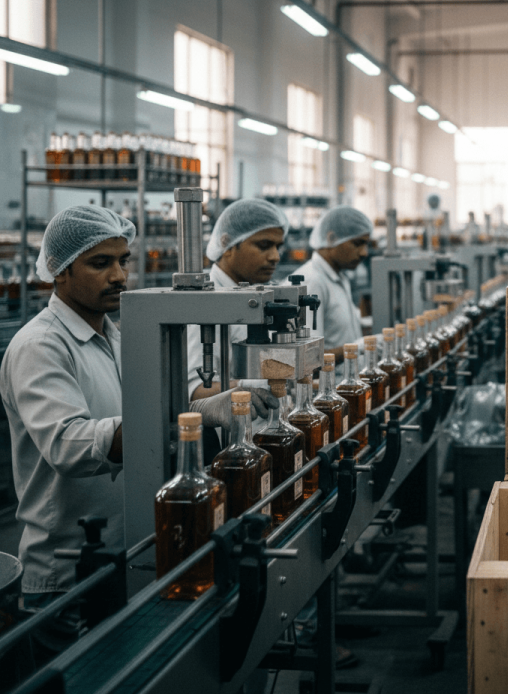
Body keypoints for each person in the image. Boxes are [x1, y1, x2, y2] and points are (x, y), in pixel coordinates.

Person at [0, 205, 275, 660]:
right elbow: (67, 445)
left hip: (129, 550)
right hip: (68, 572)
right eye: (99, 262)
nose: (118, 275)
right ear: (59, 271)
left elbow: (151, 409)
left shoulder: (117, 335)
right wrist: (171, 423)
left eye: (123, 260)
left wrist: (206, 407)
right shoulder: (39, 345)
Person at [187, 198, 290, 401]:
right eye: (264, 245)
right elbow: (194, 390)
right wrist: (244, 387)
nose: (275, 257)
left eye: (278, 246)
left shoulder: (252, 293)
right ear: (227, 244)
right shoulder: (203, 302)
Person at [291, 206, 373, 362]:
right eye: (358, 243)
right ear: (331, 238)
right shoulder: (312, 282)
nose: (364, 253)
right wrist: (358, 348)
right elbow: (308, 357)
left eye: (366, 244)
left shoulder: (340, 277)